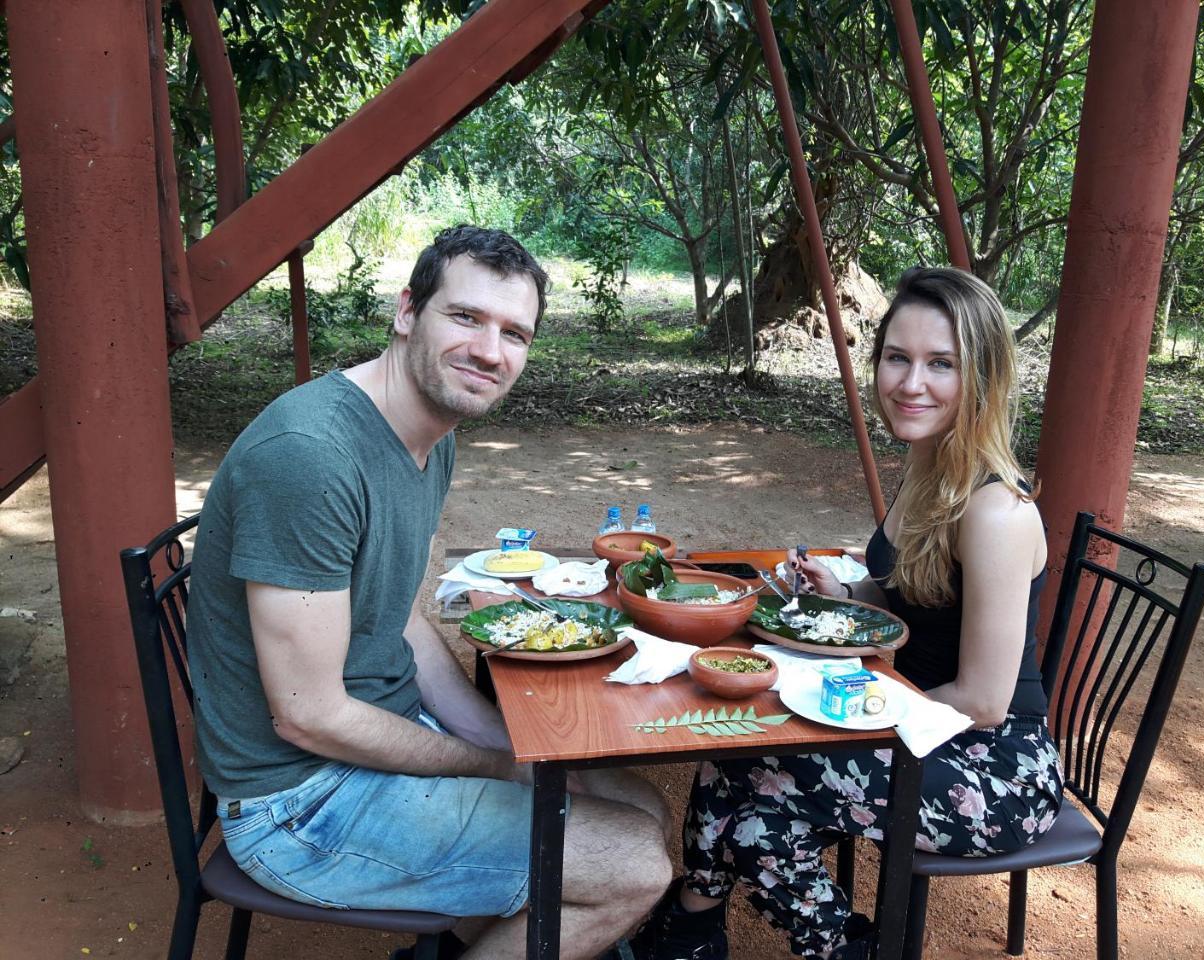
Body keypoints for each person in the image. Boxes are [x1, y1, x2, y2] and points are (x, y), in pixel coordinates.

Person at [186, 225, 672, 960]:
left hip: (368, 739)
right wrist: (491, 763)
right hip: (298, 802)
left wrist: (491, 733)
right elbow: (309, 719)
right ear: (408, 312)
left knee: (643, 805)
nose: (490, 351)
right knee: (634, 864)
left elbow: (398, 618)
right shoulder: (311, 459)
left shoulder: (429, 433)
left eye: (515, 333)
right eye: (467, 317)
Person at [624, 267, 1064, 960]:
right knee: (730, 756)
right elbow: (905, 604)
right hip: (919, 720)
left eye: (941, 364)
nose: (911, 382)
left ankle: (834, 948)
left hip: (991, 770)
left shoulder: (996, 512)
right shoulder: (930, 468)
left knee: (757, 819)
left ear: (982, 377)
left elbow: (983, 701)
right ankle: (693, 925)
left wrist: (835, 716)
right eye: (898, 357)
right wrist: (845, 594)